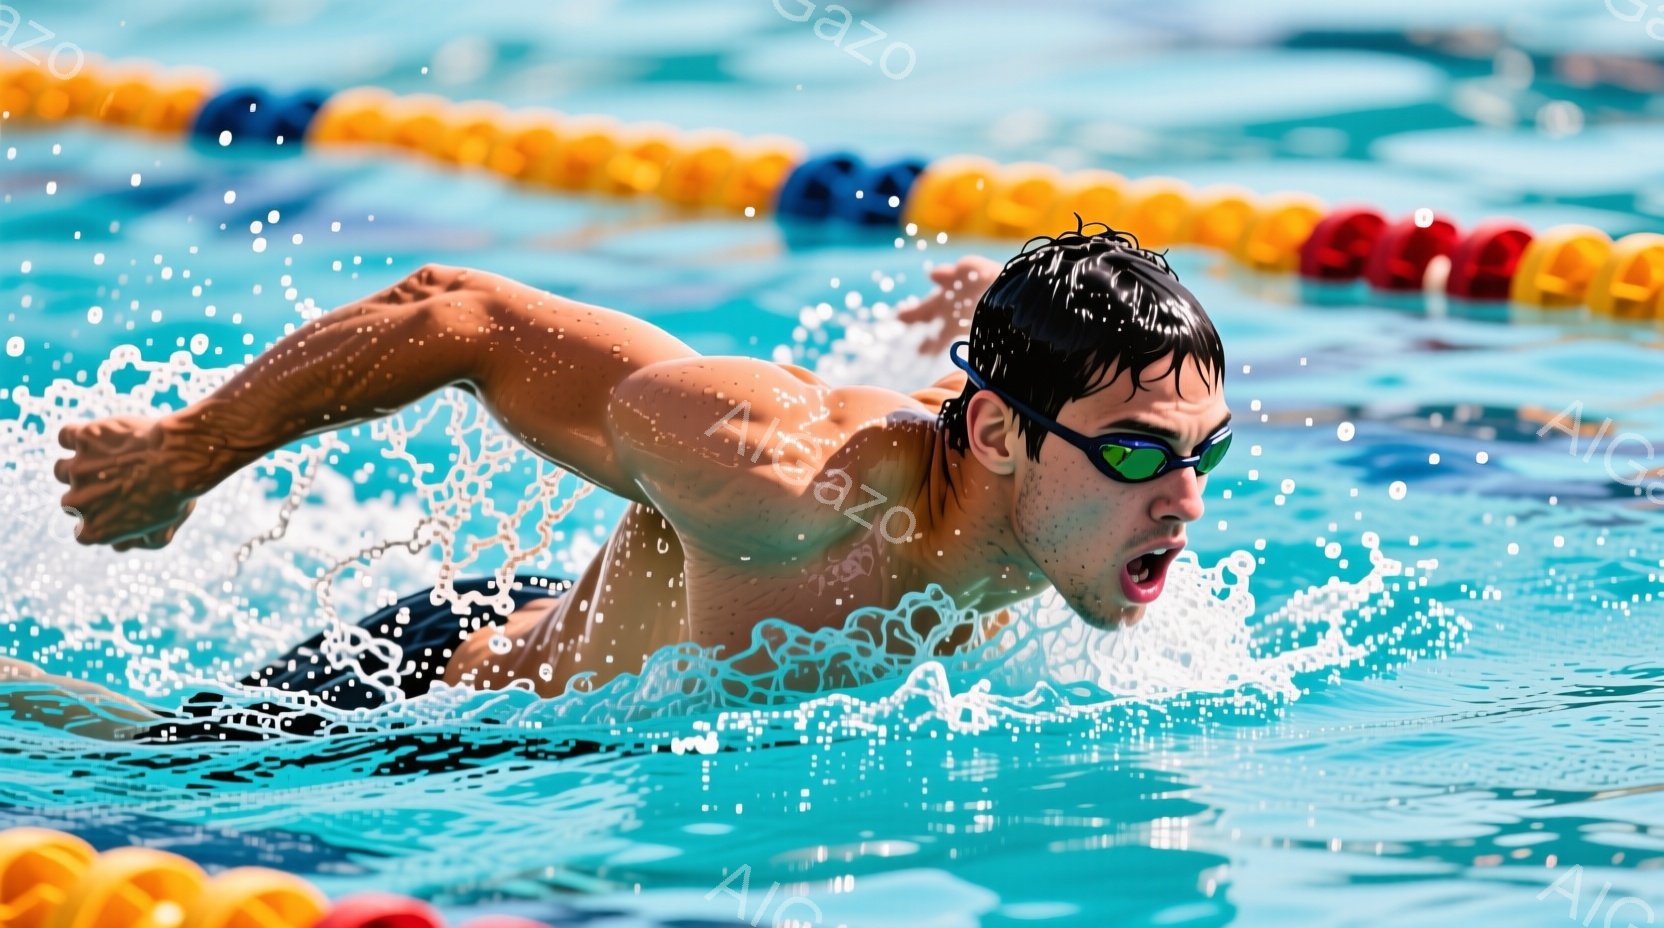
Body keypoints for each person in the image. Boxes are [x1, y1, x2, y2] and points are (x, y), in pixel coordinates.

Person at [25, 221, 1232, 738]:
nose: (1181, 499)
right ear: (994, 436)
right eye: (1136, 453)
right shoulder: (773, 473)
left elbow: (1059, 389)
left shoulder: (1057, 490)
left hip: (646, 634)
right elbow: (461, 311)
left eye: (1201, 452)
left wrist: (1003, 308)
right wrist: (181, 455)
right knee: (130, 766)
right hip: (447, 713)